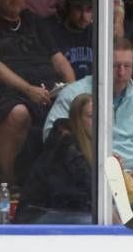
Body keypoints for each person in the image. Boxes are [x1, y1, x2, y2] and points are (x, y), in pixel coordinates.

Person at [0, 0, 76, 184]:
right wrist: (28, 89)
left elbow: (58, 60)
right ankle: (9, 180)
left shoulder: (33, 21)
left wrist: (73, 90)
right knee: (18, 113)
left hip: (43, 89)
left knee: (81, 110)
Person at [44, 38, 133, 194]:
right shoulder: (73, 93)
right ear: (101, 64)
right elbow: (51, 137)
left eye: (127, 66)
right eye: (115, 66)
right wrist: (94, 158)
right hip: (91, 177)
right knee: (109, 213)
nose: (121, 73)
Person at [18, 93, 95, 223]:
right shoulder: (66, 146)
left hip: (69, 210)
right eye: (92, 116)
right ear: (78, 119)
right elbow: (82, 191)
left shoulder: (94, 145)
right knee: (92, 221)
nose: (98, 121)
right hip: (39, 214)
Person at [43, 0, 95, 79]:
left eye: (89, 9)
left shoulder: (97, 32)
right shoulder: (51, 32)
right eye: (79, 9)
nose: (84, 17)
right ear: (67, 8)